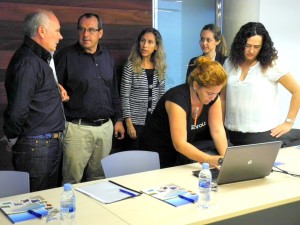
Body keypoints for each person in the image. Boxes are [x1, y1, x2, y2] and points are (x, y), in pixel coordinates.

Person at [55, 13, 125, 184]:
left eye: (91, 30)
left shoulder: (107, 56)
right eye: (82, 29)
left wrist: (118, 119)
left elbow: (113, 90)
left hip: (105, 128)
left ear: (100, 33)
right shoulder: (65, 56)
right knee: (71, 181)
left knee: (99, 179)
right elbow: (54, 94)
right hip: (77, 130)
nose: (86, 34)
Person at [2, 10, 65, 192]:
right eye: (57, 30)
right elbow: (17, 111)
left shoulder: (37, 58)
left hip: (44, 147)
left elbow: (34, 95)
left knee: (46, 204)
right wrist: (12, 138)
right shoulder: (28, 62)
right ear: (42, 31)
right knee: (35, 205)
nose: (61, 36)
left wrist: (54, 92)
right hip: (36, 149)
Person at [139, 56, 228, 168]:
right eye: (210, 93)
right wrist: (208, 159)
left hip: (180, 153)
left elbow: (218, 131)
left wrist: (226, 159)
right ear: (196, 85)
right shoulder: (177, 99)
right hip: (155, 151)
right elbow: (179, 144)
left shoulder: (214, 98)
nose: (213, 97)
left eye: (217, 93)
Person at [220, 22, 300, 146]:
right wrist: (219, 126)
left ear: (263, 46)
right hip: (231, 132)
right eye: (248, 45)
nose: (251, 50)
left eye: (257, 47)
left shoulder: (272, 64)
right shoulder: (230, 63)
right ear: (240, 44)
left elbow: (297, 91)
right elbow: (223, 98)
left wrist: (288, 122)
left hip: (263, 134)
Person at [120, 28, 167, 150]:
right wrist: (129, 124)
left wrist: (161, 121)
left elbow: (162, 96)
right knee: (135, 161)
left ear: (156, 47)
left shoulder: (160, 67)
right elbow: (124, 97)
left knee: (151, 159)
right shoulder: (130, 66)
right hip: (135, 124)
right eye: (142, 41)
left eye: (150, 42)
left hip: (153, 124)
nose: (145, 45)